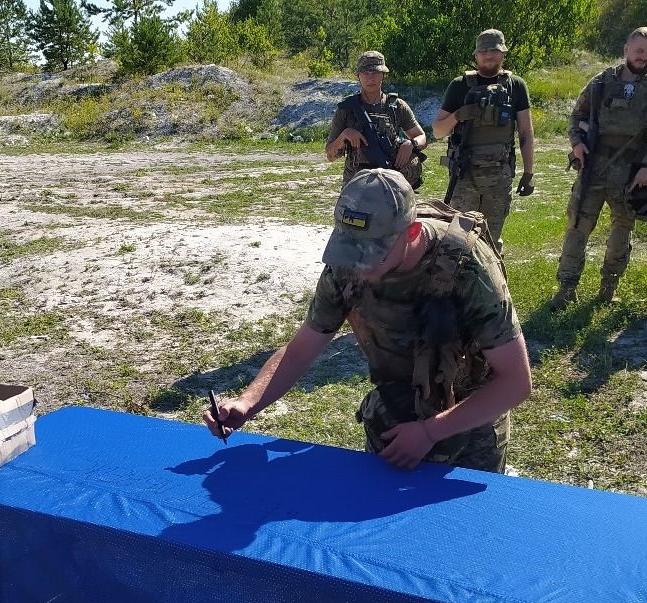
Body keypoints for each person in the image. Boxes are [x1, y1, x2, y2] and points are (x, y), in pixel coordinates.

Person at [204, 169, 531, 474]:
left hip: (470, 419)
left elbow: (515, 382)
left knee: (459, 531)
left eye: (371, 252)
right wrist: (247, 403)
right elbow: (302, 348)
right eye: (351, 250)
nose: (358, 265)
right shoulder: (347, 266)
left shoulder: (467, 267)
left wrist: (431, 431)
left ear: (412, 232)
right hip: (396, 412)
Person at [551, 27, 647, 308]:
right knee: (577, 226)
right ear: (626, 49)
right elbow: (576, 116)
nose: (643, 57)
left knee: (622, 229)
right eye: (638, 50)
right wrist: (576, 144)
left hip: (631, 172)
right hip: (594, 165)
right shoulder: (601, 81)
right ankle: (567, 286)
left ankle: (608, 287)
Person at [430, 29, 536, 252]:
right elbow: (438, 131)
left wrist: (529, 172)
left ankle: (491, 282)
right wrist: (458, 115)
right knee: (458, 239)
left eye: (495, 50)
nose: (489, 55)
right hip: (465, 175)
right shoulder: (459, 85)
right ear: (476, 56)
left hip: (499, 175)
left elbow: (525, 131)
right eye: (484, 51)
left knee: (491, 239)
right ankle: (455, 284)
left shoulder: (515, 86)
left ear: (503, 54)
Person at [325, 51, 428, 189]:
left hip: (392, 183)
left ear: (383, 75)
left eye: (375, 73)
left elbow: (422, 137)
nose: (370, 78)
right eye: (365, 73)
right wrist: (344, 135)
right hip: (356, 184)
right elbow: (330, 155)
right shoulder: (346, 109)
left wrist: (411, 144)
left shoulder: (397, 106)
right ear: (358, 76)